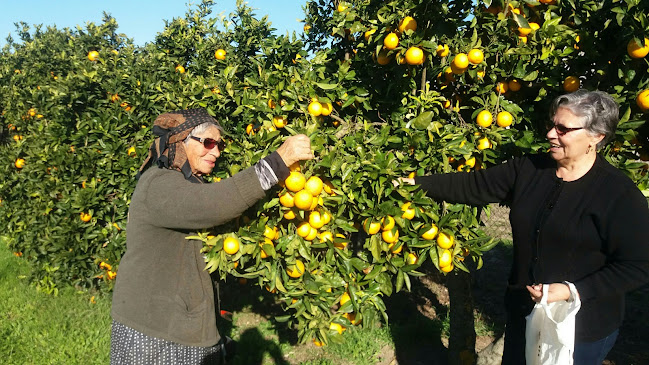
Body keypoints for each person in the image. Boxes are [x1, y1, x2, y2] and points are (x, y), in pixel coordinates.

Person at [398, 90, 649, 364]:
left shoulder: (618, 194)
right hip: (523, 315)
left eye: (563, 129)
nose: (551, 134)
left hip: (580, 329)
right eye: (552, 125)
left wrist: (570, 290)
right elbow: (472, 185)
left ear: (596, 137)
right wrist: (412, 185)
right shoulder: (529, 170)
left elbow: (638, 264)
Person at [110, 108, 313, 364]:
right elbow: (214, 204)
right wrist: (277, 162)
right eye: (208, 142)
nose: (216, 152)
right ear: (181, 142)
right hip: (156, 333)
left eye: (219, 145)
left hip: (183, 326)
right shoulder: (158, 184)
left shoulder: (187, 185)